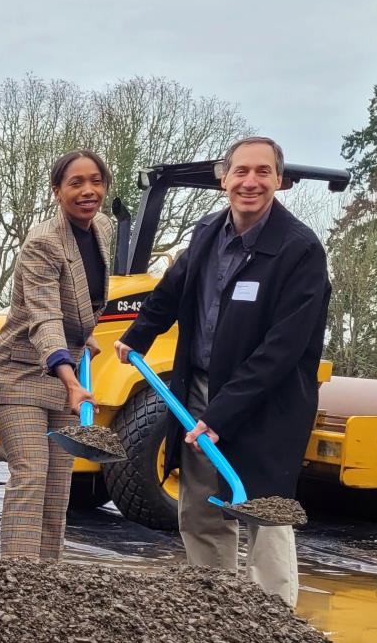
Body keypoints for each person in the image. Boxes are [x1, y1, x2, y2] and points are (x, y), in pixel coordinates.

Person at [116, 136, 330, 607]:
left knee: (264, 511)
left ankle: (274, 621)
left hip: (265, 401)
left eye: (262, 172)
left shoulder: (299, 250)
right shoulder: (208, 231)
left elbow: (285, 347)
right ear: (223, 177)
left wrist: (225, 411)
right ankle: (213, 609)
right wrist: (137, 336)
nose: (250, 182)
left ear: (279, 180)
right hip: (197, 389)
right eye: (240, 172)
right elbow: (173, 289)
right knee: (199, 506)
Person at [0, 150, 115, 560]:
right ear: (57, 190)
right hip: (20, 373)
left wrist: (85, 335)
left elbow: (82, 300)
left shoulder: (104, 229)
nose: (87, 190)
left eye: (95, 181)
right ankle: (17, 578)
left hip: (64, 370)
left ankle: (48, 580)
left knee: (60, 481)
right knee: (31, 471)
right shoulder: (43, 241)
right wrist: (72, 380)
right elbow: (44, 315)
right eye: (76, 183)